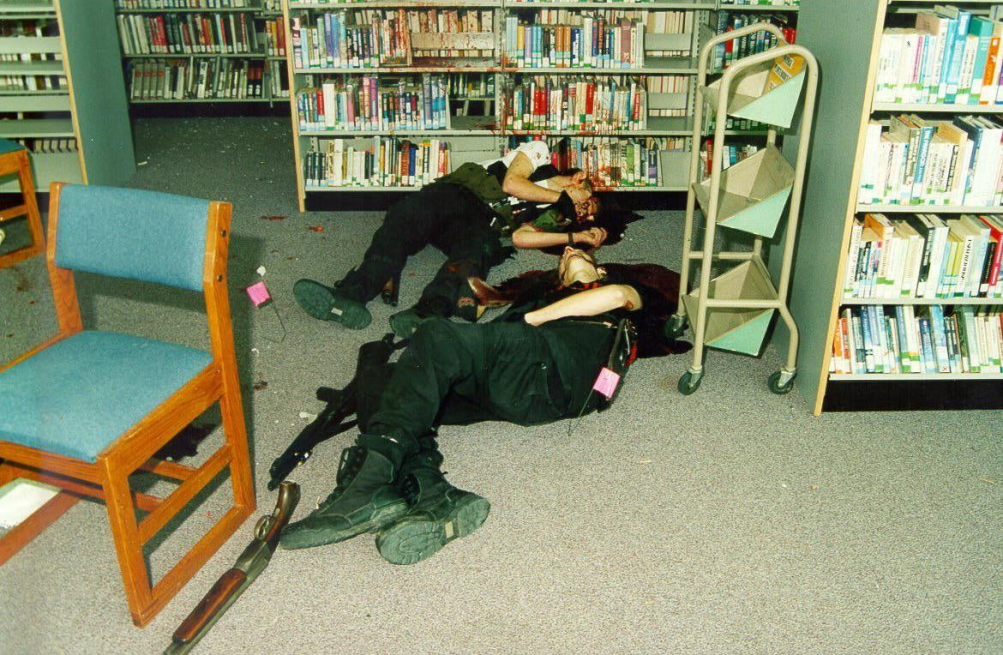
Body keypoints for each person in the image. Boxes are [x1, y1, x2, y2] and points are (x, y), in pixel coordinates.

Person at [280, 246, 691, 565]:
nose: (568, 251)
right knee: (386, 379)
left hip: (561, 370)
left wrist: (529, 320)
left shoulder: (615, 291)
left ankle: (368, 483)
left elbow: (616, 295)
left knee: (436, 335)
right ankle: (430, 489)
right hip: (518, 388)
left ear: (598, 270)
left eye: (577, 253)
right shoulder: (537, 298)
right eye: (563, 255)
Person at [292, 140, 609, 337]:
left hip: (480, 221)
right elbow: (512, 184)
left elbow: (521, 238)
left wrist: (576, 234)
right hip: (454, 195)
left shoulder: (553, 212)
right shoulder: (539, 153)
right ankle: (350, 294)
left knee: (478, 251)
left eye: (585, 212)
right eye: (587, 201)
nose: (583, 210)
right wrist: (561, 199)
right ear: (579, 179)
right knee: (405, 216)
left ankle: (428, 312)